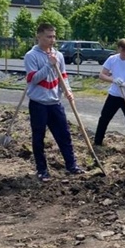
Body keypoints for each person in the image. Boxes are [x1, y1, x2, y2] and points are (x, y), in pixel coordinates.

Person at [24, 23, 84, 182]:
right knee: (38, 137)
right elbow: (33, 79)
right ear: (39, 36)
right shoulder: (31, 55)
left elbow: (63, 76)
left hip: (55, 102)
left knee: (64, 134)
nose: (52, 40)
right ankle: (42, 170)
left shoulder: (58, 55)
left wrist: (68, 90)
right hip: (38, 104)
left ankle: (72, 165)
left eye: (54, 37)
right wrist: (48, 65)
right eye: (48, 37)